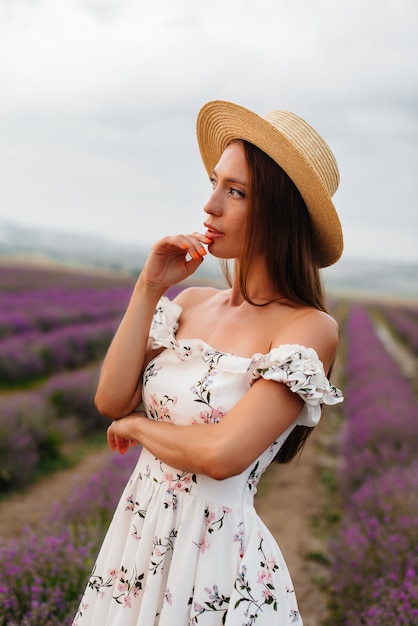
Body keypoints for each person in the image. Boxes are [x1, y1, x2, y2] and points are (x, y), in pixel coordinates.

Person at [73, 100, 344, 626]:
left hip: (214, 561)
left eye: (235, 192)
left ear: (278, 213)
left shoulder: (308, 329)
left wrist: (136, 426)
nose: (210, 206)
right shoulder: (191, 303)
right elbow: (109, 397)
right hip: (138, 538)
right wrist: (149, 286)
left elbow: (222, 455)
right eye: (215, 182)